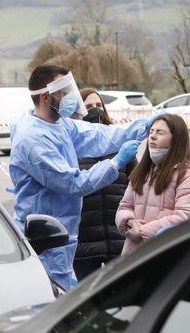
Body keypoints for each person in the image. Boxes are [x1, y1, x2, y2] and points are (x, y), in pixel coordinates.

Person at [10, 64, 159, 289]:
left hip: (62, 234)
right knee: (45, 302)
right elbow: (73, 183)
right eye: (63, 93)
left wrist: (140, 128)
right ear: (44, 97)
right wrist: (116, 162)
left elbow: (96, 136)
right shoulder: (33, 140)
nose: (70, 97)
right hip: (44, 239)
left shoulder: (58, 125)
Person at [115, 113, 190, 253]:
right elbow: (124, 206)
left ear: (176, 139)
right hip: (134, 254)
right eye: (151, 132)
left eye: (160, 132)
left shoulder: (189, 174)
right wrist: (129, 222)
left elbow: (185, 216)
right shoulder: (143, 171)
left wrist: (142, 232)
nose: (152, 136)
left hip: (166, 252)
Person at [73, 88, 129, 279]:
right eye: (88, 106)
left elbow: (137, 183)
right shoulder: (71, 147)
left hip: (118, 237)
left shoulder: (119, 143)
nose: (95, 110)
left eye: (98, 105)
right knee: (87, 299)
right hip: (85, 240)